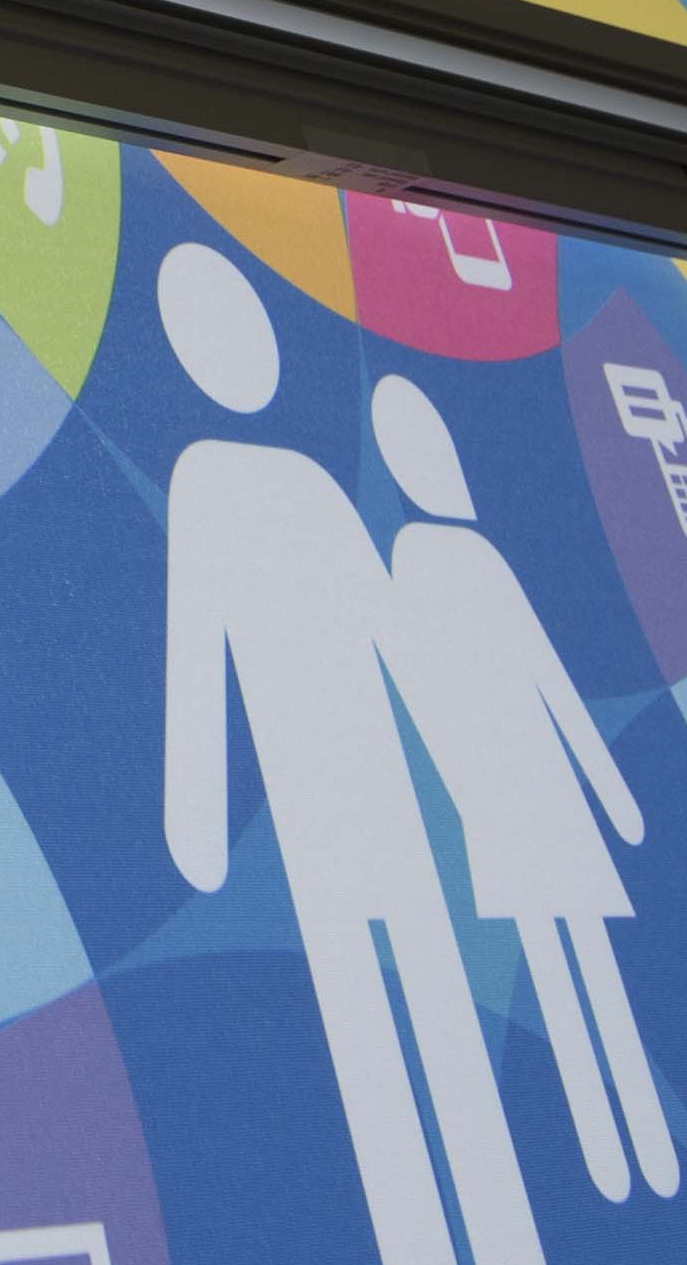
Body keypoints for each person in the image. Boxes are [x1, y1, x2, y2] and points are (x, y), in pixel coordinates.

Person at [159, 244, 539, 1265]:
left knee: (431, 992)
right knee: (362, 1005)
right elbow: (200, 646)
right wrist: (197, 813)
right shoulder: (207, 481)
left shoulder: (315, 492)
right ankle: (417, 1230)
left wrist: (468, 783)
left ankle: (498, 1225)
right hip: (308, 802)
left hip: (385, 797)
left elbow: (395, 644)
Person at [374, 373, 679, 1205]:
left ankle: (644, 1143)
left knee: (586, 956)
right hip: (498, 793)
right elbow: (426, 695)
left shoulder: (475, 557)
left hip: (538, 790)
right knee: (553, 955)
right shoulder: (415, 560)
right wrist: (465, 801)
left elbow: (549, 679)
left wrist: (609, 791)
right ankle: (610, 1149)